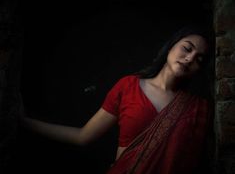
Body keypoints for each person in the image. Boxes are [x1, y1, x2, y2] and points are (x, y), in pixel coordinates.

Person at [20, 25, 215, 174]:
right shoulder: (128, 86)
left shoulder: (197, 109)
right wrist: (24, 123)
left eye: (199, 59)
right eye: (186, 48)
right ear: (171, 46)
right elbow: (83, 136)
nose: (189, 59)